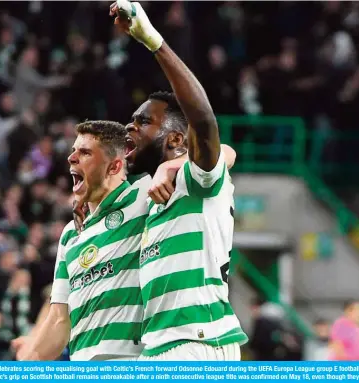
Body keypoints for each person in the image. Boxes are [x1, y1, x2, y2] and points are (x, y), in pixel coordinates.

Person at [111, 0, 247, 360]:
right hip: (160, 347)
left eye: (143, 121)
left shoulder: (196, 180)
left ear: (174, 140)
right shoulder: (154, 199)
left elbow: (204, 123)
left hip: (197, 344)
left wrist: (154, 42)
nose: (130, 126)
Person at [12, 120, 152, 361]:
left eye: (85, 152)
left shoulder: (143, 197)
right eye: (73, 150)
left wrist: (174, 168)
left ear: (114, 166)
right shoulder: (71, 234)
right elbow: (59, 321)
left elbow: (215, 157)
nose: (71, 158)